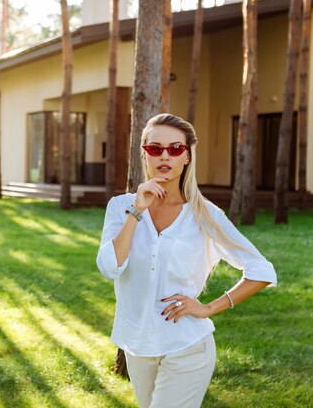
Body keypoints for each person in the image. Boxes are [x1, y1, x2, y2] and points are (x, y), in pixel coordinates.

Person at [96, 113, 277, 408]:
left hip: (187, 346)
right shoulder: (121, 207)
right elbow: (109, 266)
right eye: (155, 148)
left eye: (175, 148)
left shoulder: (205, 215)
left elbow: (261, 270)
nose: (164, 156)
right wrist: (137, 211)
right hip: (138, 345)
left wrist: (208, 308)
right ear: (145, 154)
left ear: (187, 156)